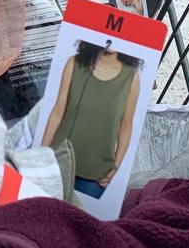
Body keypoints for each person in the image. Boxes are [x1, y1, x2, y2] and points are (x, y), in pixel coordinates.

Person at [41, 41, 141, 199]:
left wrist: (116, 166)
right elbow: (58, 111)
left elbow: (126, 126)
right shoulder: (74, 63)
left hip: (97, 174)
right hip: (58, 161)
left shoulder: (131, 78)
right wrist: (42, 152)